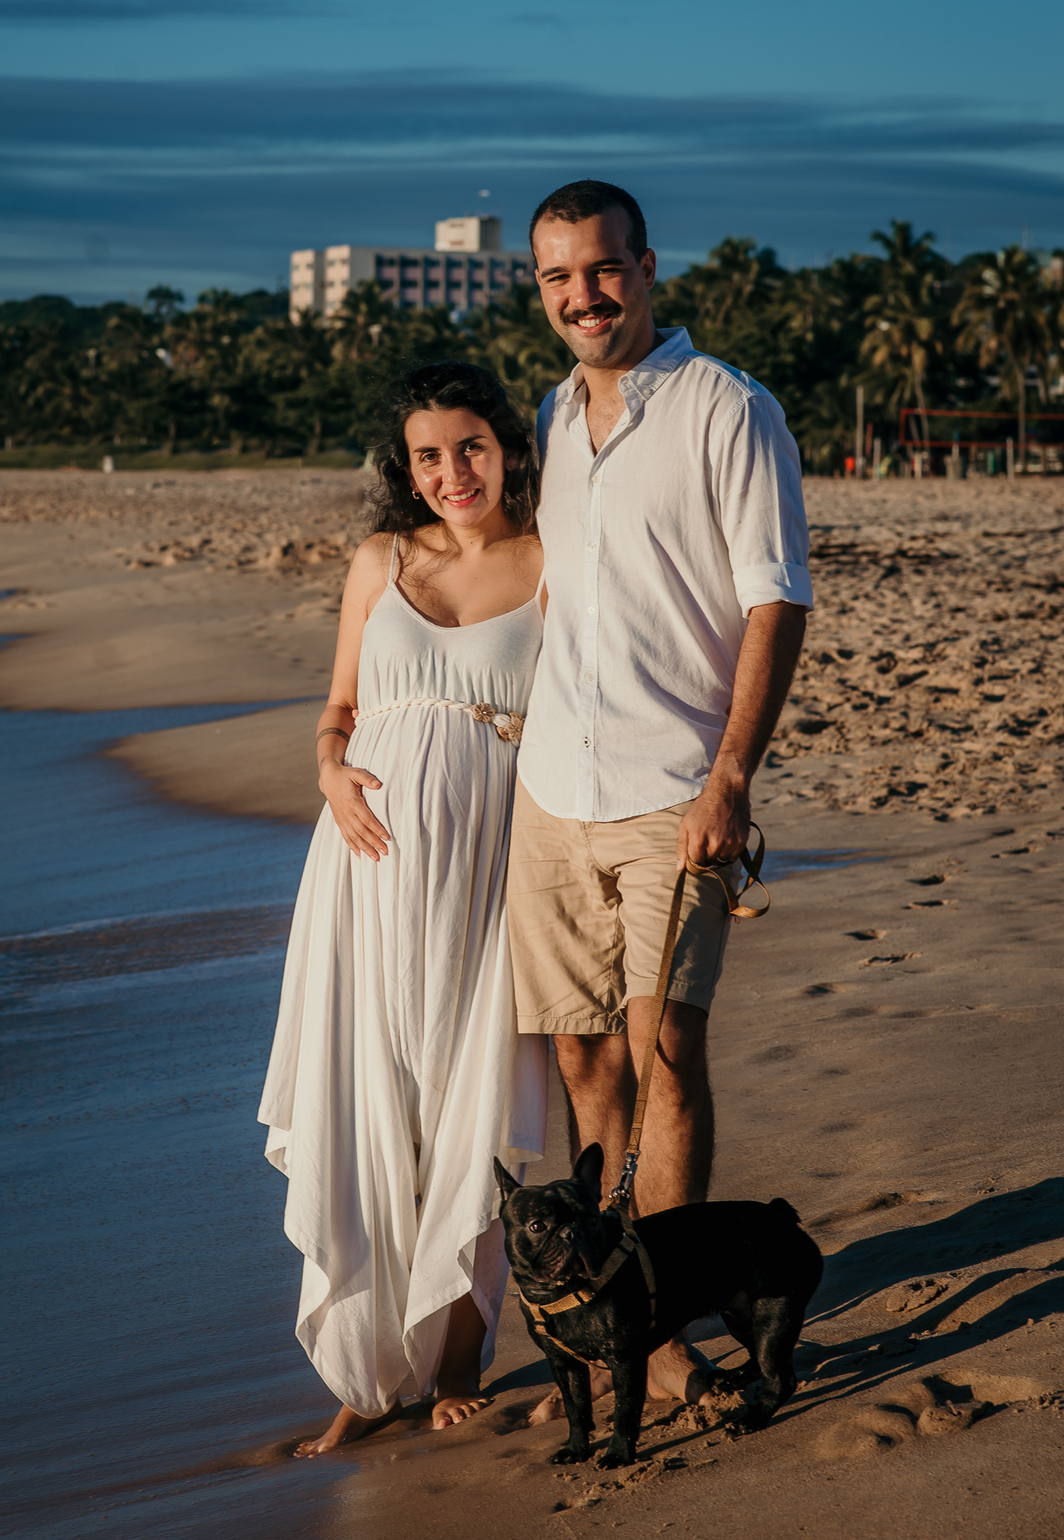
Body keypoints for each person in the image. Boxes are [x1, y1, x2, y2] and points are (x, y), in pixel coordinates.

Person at [506, 179, 811, 1413]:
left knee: (665, 1050)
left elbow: (775, 597)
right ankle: (631, 1319)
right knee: (586, 1056)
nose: (584, 295)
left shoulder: (727, 409)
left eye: (604, 269)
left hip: (671, 791)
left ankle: (666, 1322)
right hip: (549, 793)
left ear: (646, 267)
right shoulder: (547, 416)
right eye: (558, 277)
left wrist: (732, 774)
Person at [260, 361, 548, 1456]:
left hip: (487, 873)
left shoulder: (555, 559)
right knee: (366, 1102)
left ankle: (462, 1359)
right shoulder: (379, 560)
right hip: (363, 876)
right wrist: (331, 770)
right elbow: (337, 708)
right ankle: (372, 1371)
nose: (450, 471)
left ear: (507, 447)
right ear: (405, 465)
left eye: (469, 446)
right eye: (428, 454)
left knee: (468, 1112)